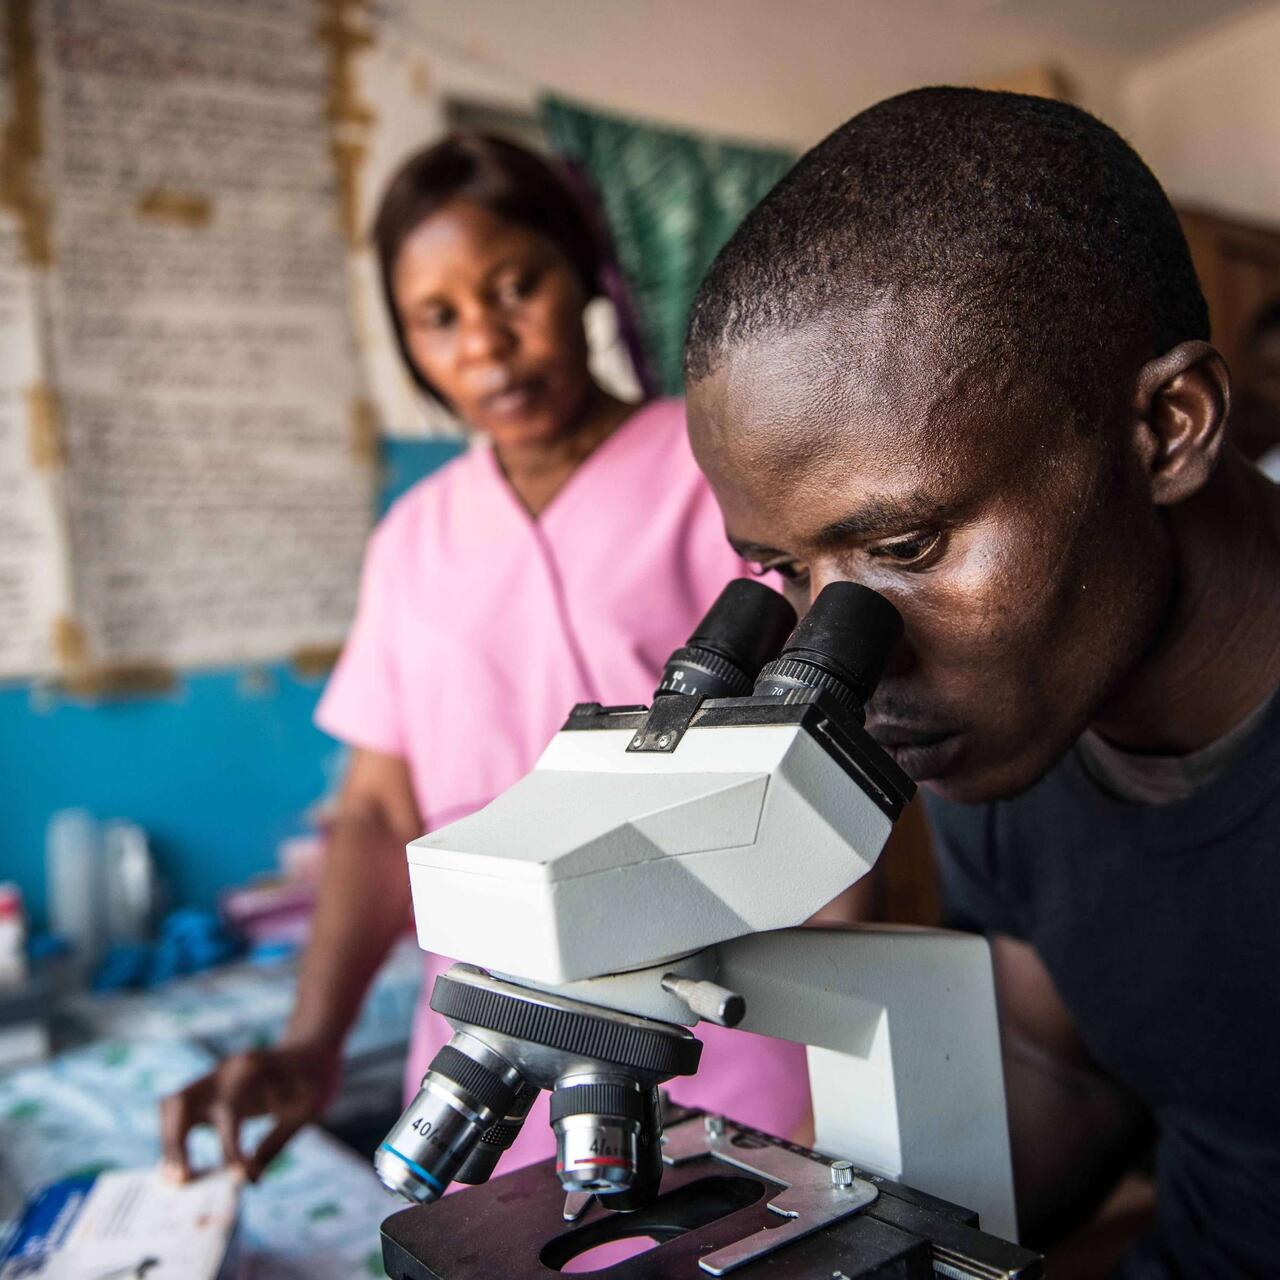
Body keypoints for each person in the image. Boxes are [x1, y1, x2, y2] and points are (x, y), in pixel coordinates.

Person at [682, 88, 1280, 1278]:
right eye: (787, 572)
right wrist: (803, 1242)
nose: (848, 660)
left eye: (904, 550)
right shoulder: (1013, 729)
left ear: (1167, 427)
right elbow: (1060, 1052)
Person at [160, 134, 809, 1183]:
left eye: (516, 288)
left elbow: (810, 757)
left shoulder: (713, 471)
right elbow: (377, 811)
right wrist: (312, 1040)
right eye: (441, 318)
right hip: (482, 1051)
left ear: (582, 278)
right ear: (407, 340)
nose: (488, 346)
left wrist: (840, 1061)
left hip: (716, 1032)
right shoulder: (412, 538)